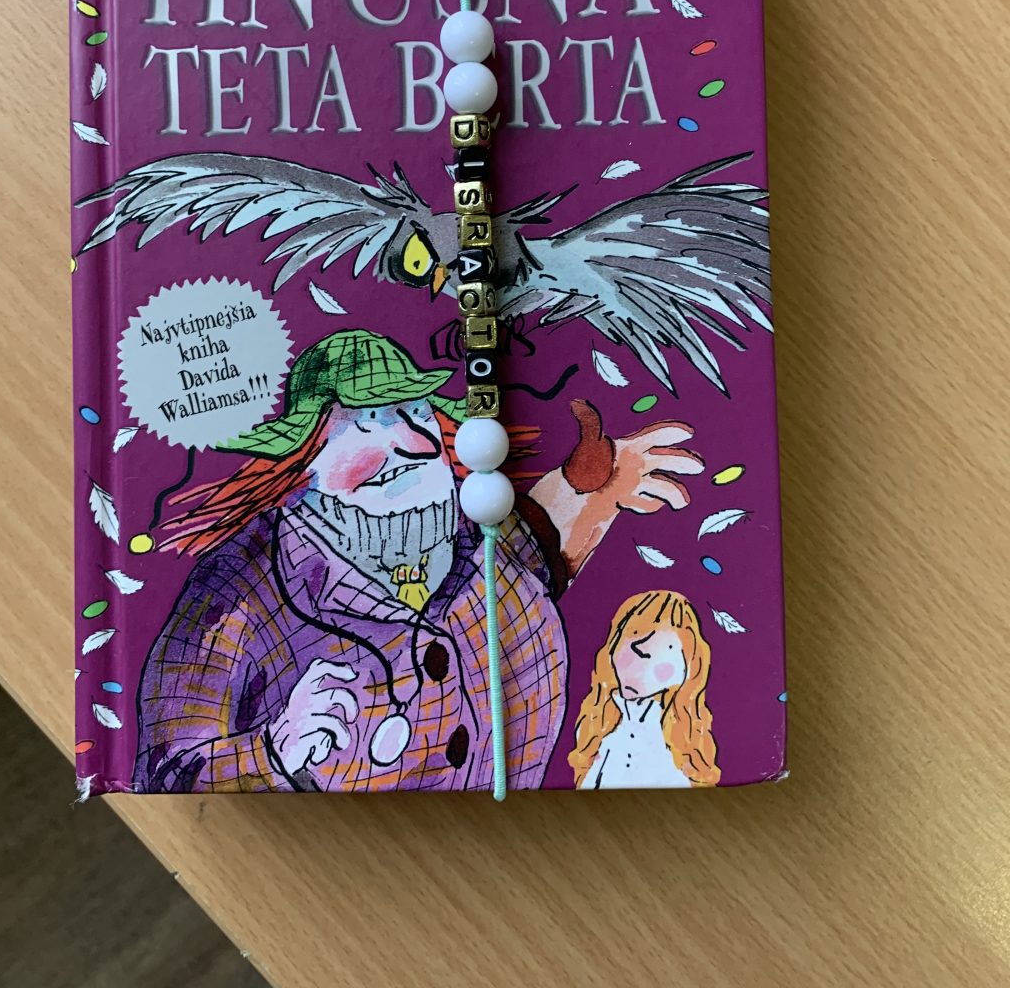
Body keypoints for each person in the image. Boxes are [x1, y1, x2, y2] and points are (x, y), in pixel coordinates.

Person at [135, 329, 704, 792]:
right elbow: (165, 771)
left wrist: (591, 487)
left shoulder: (473, 526)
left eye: (414, 412)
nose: (410, 444)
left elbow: (537, 555)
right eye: (364, 424)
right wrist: (272, 752)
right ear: (305, 459)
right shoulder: (238, 592)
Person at [569, 591, 720, 789]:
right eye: (633, 651)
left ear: (684, 671)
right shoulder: (604, 718)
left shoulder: (672, 731)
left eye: (657, 660)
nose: (638, 671)